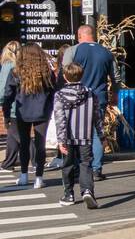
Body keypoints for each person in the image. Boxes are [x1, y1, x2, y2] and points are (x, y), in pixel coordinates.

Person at [1, 44, 55, 188]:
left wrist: (6, 116)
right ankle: (39, 177)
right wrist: (50, 109)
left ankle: (24, 175)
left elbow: (8, 96)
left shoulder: (15, 72)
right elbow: (53, 92)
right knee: (40, 144)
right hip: (42, 111)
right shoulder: (47, 72)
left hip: (22, 112)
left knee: (24, 143)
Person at [70, 25, 115, 182]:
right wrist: (114, 93)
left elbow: (69, 73)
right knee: (97, 134)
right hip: (99, 98)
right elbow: (114, 77)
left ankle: (79, 167)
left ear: (81, 35)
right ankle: (96, 169)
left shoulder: (77, 51)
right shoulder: (106, 52)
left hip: (79, 97)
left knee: (78, 134)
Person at [52, 61, 101, 208]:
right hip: (85, 136)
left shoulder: (60, 95)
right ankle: (87, 190)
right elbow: (97, 116)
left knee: (67, 166)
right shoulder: (90, 93)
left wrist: (61, 140)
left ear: (65, 77)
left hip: (68, 136)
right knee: (86, 164)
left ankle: (69, 194)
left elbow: (60, 119)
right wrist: (102, 135)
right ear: (82, 75)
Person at [0, 41, 20, 172]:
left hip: (11, 105)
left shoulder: (7, 66)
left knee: (15, 134)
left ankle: (9, 162)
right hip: (20, 105)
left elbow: (3, 88)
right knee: (15, 135)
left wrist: (2, 102)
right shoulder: (20, 65)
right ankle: (9, 162)